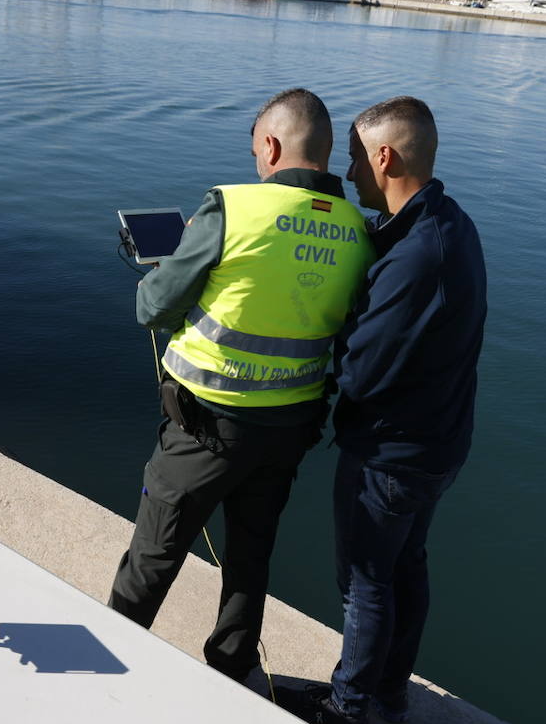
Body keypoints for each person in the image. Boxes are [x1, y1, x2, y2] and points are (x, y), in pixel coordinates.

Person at [108, 88, 374, 682]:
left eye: (258, 149)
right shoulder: (360, 230)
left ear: (272, 146)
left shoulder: (232, 207)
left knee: (155, 553)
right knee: (251, 558)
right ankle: (231, 669)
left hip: (205, 428)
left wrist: (171, 275)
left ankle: (113, 661)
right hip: (289, 432)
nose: (257, 161)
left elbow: (151, 308)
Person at [275, 97, 487, 724]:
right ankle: (390, 690)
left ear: (384, 156)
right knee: (406, 566)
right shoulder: (448, 224)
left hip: (392, 453)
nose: (350, 173)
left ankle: (345, 710)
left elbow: (364, 370)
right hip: (440, 442)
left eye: (355, 160)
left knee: (365, 581)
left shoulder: (419, 255)